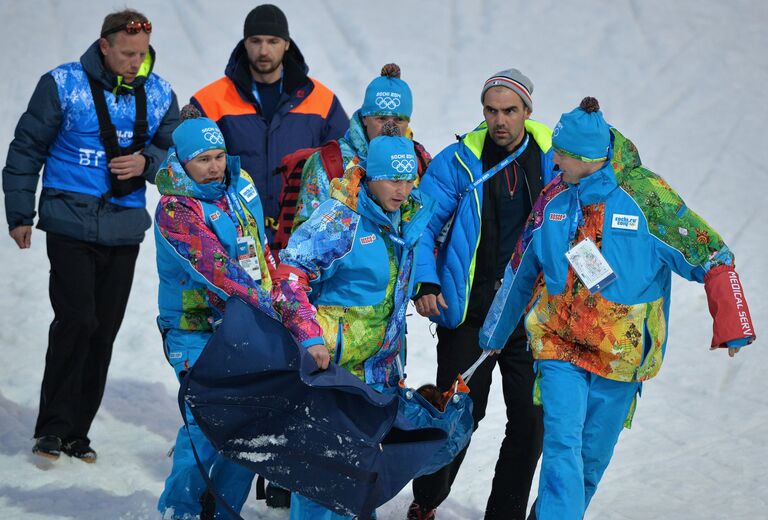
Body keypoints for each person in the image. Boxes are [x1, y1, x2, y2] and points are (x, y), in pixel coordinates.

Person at [479, 97, 757, 520]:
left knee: (589, 463)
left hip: (620, 356)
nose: (553, 160)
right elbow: (522, 267)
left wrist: (733, 322)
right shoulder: (555, 196)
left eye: (563, 154)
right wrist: (494, 334)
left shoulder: (646, 197)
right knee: (561, 448)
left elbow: (711, 254)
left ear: (589, 158)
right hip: (559, 345)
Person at [1, 8, 178, 462]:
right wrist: (20, 212)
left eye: (142, 55)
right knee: (77, 320)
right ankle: (52, 428)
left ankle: (78, 433)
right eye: (126, 54)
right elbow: (27, 147)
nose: (135, 62)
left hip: (123, 227)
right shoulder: (62, 84)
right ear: (104, 46)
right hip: (68, 220)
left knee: (103, 331)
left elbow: (175, 152)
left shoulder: (159, 93)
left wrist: (147, 164)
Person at [407, 69, 555, 520]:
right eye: (491, 111)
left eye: (509, 111)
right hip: (468, 312)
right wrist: (426, 281)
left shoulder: (552, 159)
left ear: (528, 112)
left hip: (529, 317)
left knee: (530, 425)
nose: (499, 121)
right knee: (458, 415)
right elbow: (422, 225)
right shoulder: (457, 162)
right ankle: (427, 500)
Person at [271, 124, 435, 519]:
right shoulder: (341, 219)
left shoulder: (406, 219)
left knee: (359, 475)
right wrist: (310, 339)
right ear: (369, 176)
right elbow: (288, 278)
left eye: (408, 178)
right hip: (333, 372)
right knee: (321, 476)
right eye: (391, 179)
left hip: (376, 373)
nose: (401, 189)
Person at [154, 112, 278, 519]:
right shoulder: (176, 209)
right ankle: (181, 509)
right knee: (204, 428)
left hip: (246, 325)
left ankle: (225, 509)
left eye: (219, 156)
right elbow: (216, 269)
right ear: (182, 161)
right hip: (196, 331)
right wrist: (270, 304)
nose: (214, 166)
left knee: (248, 427)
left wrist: (280, 288)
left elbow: (259, 248)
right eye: (203, 159)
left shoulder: (239, 186)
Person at [191, 3, 348, 248]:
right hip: (232, 234)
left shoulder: (322, 100)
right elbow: (187, 169)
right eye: (256, 41)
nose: (264, 50)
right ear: (244, 43)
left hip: (303, 235)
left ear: (286, 44)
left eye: (273, 41)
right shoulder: (209, 101)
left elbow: (345, 166)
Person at [290, 63, 431, 232]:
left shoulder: (419, 159)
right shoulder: (330, 161)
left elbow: (429, 228)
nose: (390, 127)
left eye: (399, 120)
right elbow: (304, 236)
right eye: (381, 118)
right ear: (365, 118)